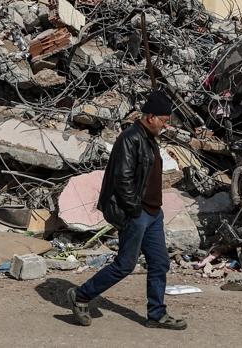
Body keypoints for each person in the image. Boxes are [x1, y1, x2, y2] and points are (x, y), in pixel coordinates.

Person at [67, 90, 187, 330]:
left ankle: (156, 315)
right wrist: (134, 210)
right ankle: (81, 295)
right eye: (164, 121)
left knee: (159, 263)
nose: (165, 126)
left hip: (153, 213)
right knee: (125, 265)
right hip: (138, 213)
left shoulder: (149, 138)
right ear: (151, 117)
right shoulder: (130, 139)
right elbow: (123, 179)